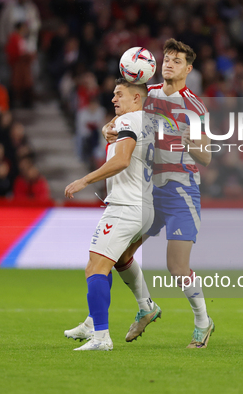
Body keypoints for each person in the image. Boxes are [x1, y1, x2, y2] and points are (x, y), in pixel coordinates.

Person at [104, 39, 214, 348]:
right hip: (148, 190)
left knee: (177, 267)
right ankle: (146, 306)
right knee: (121, 255)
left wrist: (184, 137)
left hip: (181, 191)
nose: (169, 64)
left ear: (188, 69)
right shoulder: (147, 95)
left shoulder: (194, 107)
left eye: (177, 61)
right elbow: (121, 121)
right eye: (166, 59)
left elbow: (206, 156)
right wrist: (107, 128)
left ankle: (203, 323)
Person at [63, 78, 156, 351]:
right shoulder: (147, 123)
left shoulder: (130, 123)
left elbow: (122, 160)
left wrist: (85, 180)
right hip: (146, 206)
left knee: (96, 267)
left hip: (126, 206)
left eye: (119, 94)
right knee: (119, 259)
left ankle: (101, 337)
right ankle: (98, 320)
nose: (113, 99)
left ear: (137, 98)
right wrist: (109, 127)